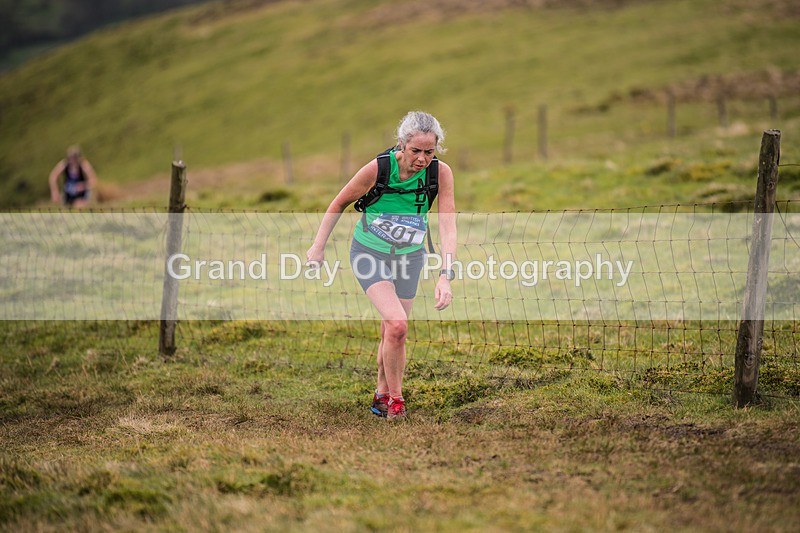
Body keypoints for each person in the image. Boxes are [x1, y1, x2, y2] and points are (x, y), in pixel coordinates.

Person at [307, 111, 457, 420]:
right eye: (416, 151)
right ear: (402, 144)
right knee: (398, 324)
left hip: (410, 257)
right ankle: (396, 401)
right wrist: (318, 247)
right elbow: (338, 204)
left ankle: (380, 392)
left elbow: (448, 225)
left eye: (429, 152)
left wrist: (445, 275)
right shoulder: (378, 169)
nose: (422, 159)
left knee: (394, 331)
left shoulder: (440, 174)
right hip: (369, 254)